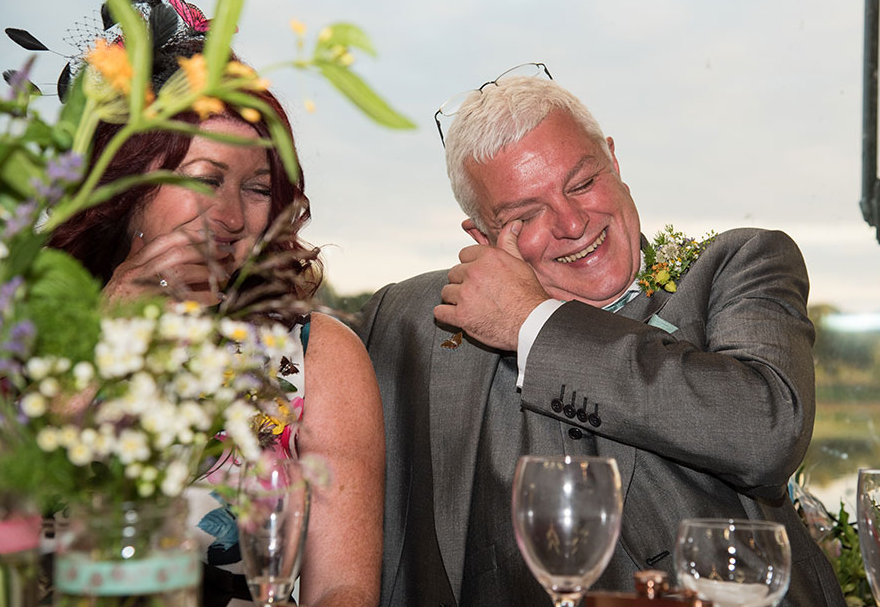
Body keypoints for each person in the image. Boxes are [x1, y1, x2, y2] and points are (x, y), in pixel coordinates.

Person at [354, 66, 845, 606]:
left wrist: (531, 324)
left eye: (583, 183)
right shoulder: (406, 319)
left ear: (614, 160)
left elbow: (766, 431)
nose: (571, 222)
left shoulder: (739, 266)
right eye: (527, 214)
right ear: (483, 237)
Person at [41, 0, 384, 607]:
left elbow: (344, 588)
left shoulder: (317, 356)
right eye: (205, 180)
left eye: (257, 188)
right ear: (129, 190)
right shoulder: (22, 331)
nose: (230, 215)